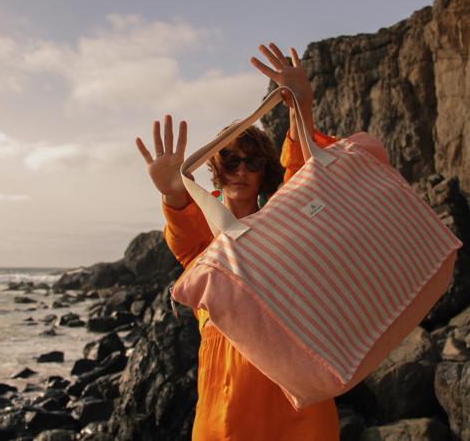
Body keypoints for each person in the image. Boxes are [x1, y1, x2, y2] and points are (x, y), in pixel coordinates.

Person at [135, 43, 340, 440]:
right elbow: (184, 232)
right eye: (230, 160)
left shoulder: (283, 218)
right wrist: (174, 192)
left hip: (297, 404)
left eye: (253, 161)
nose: (241, 169)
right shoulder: (204, 241)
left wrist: (302, 105)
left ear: (264, 169)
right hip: (225, 409)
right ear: (215, 169)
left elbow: (302, 169)